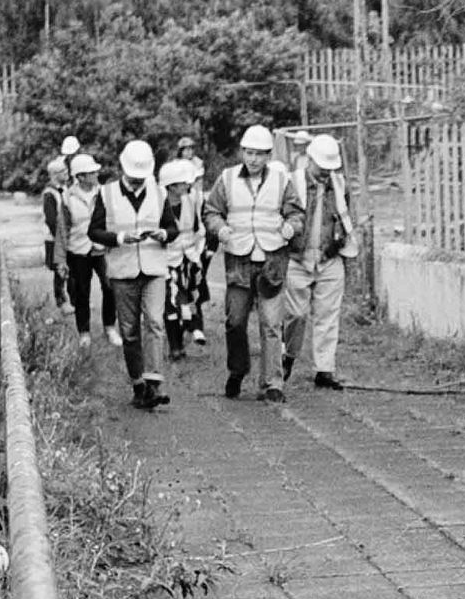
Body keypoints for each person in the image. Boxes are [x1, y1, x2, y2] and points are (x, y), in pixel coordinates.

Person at [204, 123, 304, 402]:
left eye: (259, 154)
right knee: (235, 321)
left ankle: (272, 383)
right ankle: (237, 370)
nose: (253, 159)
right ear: (241, 153)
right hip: (239, 260)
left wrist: (291, 227)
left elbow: (297, 214)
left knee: (272, 323)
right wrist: (219, 227)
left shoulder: (282, 181)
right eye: (249, 153)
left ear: (268, 155)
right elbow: (211, 211)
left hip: (272, 259)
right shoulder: (226, 179)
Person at [90, 139, 173, 410]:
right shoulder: (106, 194)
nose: (138, 183)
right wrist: (120, 237)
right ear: (122, 169)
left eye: (142, 178)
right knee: (129, 330)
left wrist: (163, 233)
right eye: (133, 178)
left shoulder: (160, 193)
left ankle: (154, 382)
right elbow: (94, 231)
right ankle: (138, 383)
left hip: (154, 267)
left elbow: (172, 228)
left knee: (155, 322)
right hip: (123, 269)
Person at [287, 134, 360, 390]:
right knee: (295, 314)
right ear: (309, 160)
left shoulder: (340, 184)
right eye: (322, 168)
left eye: (330, 168)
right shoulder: (291, 182)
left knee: (328, 316)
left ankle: (324, 369)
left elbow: (345, 216)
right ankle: (287, 356)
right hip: (296, 257)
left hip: (329, 257)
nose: (326, 173)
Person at [160, 153, 210, 360]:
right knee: (171, 304)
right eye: (183, 183)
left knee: (190, 301)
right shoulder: (158, 204)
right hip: (167, 261)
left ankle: (191, 331)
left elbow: (199, 228)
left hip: (189, 258)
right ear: (171, 186)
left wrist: (200, 253)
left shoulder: (191, 200)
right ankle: (175, 347)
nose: (188, 186)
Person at [59, 152, 109, 343]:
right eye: (91, 172)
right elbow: (62, 230)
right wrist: (61, 259)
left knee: (109, 286)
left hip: (100, 247)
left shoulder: (103, 193)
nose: (96, 175)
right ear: (80, 177)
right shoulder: (68, 197)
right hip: (78, 249)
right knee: (81, 291)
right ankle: (84, 332)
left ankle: (110, 326)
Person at [39, 154, 71, 312]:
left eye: (66, 170)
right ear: (54, 175)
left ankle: (70, 298)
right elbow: (51, 220)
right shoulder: (49, 193)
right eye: (63, 171)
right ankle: (61, 301)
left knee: (69, 268)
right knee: (59, 270)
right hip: (55, 238)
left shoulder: (65, 190)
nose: (67, 173)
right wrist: (60, 238)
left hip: (66, 235)